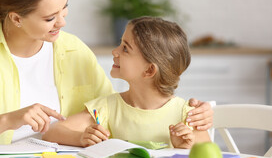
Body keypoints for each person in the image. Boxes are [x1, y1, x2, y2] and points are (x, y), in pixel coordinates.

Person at [0, 0, 213, 146]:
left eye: (65, 8)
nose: (63, 22)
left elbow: (118, 111)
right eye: (49, 18)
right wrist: (10, 120)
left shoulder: (74, 50)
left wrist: (193, 115)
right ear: (16, 18)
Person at [43, 17, 211, 148]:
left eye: (125, 48)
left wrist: (183, 148)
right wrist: (80, 137)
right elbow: (52, 131)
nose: (114, 51)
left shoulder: (188, 116)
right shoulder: (106, 108)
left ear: (149, 71)